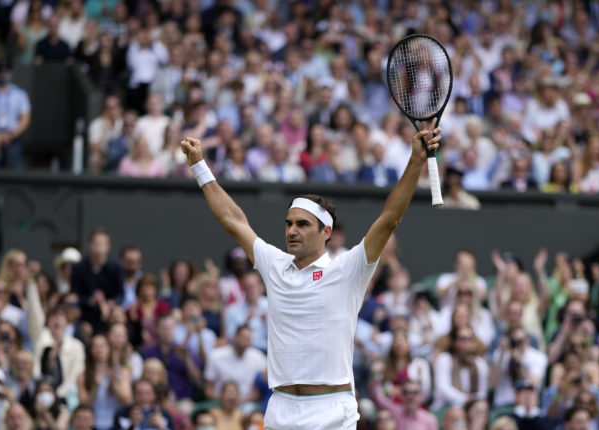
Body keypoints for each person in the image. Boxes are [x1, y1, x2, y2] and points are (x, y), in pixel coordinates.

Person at [178, 118, 442, 429]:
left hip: (332, 411)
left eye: (302, 225)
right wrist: (199, 166)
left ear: (326, 231)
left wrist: (415, 160)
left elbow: (389, 218)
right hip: (280, 409)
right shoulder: (274, 264)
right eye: (289, 223)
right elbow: (233, 221)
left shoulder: (349, 269)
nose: (292, 231)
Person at [204, 325, 266, 404]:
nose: (246, 342)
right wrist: (225, 402)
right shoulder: (216, 355)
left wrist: (241, 401)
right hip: (219, 404)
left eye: (249, 339)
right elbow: (208, 389)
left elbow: (259, 391)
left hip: (247, 405)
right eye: (243, 338)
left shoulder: (259, 357)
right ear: (235, 337)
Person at [369, 379, 438, 430]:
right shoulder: (394, 411)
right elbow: (378, 399)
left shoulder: (429, 419)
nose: (410, 396)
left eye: (415, 392)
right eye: (406, 392)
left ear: (421, 395)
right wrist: (376, 375)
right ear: (401, 395)